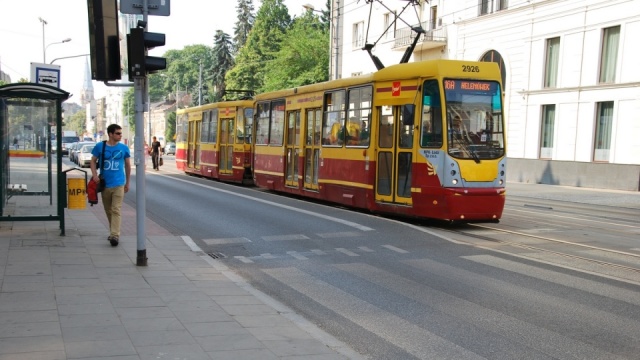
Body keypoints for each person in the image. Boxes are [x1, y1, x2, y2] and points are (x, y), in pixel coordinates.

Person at [90, 124, 131, 247]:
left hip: (119, 183)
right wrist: (94, 175)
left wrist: (128, 182)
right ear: (111, 134)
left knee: (116, 209)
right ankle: (113, 231)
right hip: (105, 184)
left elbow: (128, 165)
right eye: (118, 133)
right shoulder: (100, 146)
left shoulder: (124, 148)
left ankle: (115, 235)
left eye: (120, 133)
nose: (120, 135)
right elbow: (93, 161)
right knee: (108, 210)